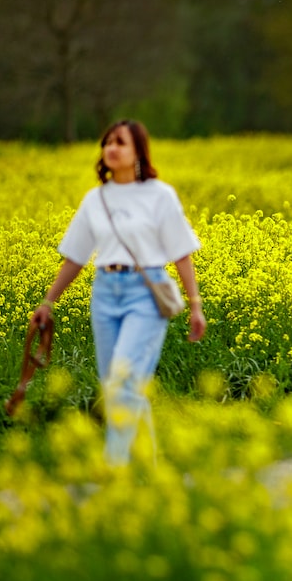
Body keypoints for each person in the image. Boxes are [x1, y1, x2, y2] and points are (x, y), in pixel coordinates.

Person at [30, 119, 206, 466]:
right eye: (107, 142)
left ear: (139, 151)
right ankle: (148, 468)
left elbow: (181, 253)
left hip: (146, 293)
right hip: (105, 293)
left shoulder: (159, 195)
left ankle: (114, 467)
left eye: (120, 142)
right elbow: (75, 257)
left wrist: (195, 305)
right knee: (117, 383)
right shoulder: (96, 199)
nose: (111, 148)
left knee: (122, 383)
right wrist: (48, 302)